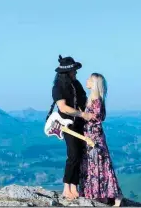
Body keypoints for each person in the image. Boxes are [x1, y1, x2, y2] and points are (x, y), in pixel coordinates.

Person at [47, 55, 95, 200]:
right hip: (67, 125)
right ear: (66, 73)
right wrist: (83, 114)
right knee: (73, 154)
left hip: (79, 123)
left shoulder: (77, 84)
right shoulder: (58, 87)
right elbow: (63, 107)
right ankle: (66, 187)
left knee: (79, 154)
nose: (76, 73)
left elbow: (84, 101)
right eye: (73, 70)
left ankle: (74, 186)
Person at [79, 73, 123, 206]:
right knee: (95, 164)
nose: (86, 81)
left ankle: (115, 195)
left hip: (94, 137)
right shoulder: (92, 98)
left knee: (99, 164)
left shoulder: (96, 99)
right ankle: (100, 195)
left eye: (89, 79)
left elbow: (96, 118)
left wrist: (82, 115)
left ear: (94, 83)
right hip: (91, 136)